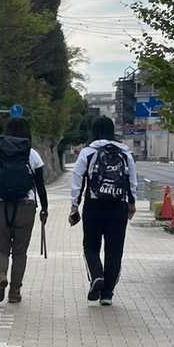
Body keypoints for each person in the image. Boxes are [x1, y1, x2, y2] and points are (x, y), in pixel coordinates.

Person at [68, 114, 137, 306]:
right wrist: (132, 203)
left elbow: (77, 180)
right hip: (118, 206)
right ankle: (107, 294)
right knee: (114, 250)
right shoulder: (125, 153)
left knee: (90, 246)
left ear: (94, 131)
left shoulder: (88, 152)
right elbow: (132, 180)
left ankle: (97, 275)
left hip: (94, 205)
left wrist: (74, 207)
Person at [0, 114, 48, 305]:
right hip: (26, 206)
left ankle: (1, 275)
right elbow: (40, 186)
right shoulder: (32, 154)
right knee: (20, 252)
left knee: (1, 248)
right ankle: (15, 291)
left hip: (0, 204)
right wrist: (44, 208)